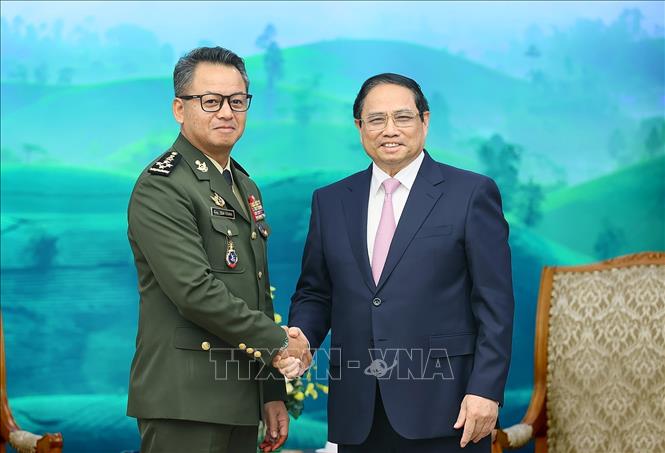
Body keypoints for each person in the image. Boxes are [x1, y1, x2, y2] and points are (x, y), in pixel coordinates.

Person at [279, 73, 514, 452]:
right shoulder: (331, 201)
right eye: (376, 119)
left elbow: (495, 303)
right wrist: (302, 336)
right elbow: (315, 292)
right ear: (359, 127)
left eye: (402, 117)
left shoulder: (470, 193)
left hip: (449, 409)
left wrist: (486, 390)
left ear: (425, 120)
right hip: (358, 411)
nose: (390, 130)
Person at [126, 46, 309, 453]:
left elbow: (257, 293)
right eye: (211, 101)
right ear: (179, 108)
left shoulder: (243, 185)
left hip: (238, 400)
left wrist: (270, 391)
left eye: (237, 101)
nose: (226, 112)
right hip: (186, 401)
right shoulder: (163, 185)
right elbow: (194, 291)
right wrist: (279, 342)